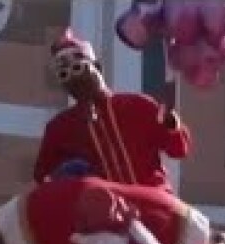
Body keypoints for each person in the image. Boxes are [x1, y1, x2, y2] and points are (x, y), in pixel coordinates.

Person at [33, 28, 191, 191]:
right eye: (65, 74)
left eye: (79, 67)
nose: (76, 78)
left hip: (151, 205)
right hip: (101, 211)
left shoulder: (138, 106)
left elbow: (179, 149)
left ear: (98, 67)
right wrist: (64, 176)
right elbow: (43, 177)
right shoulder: (59, 128)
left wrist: (171, 124)